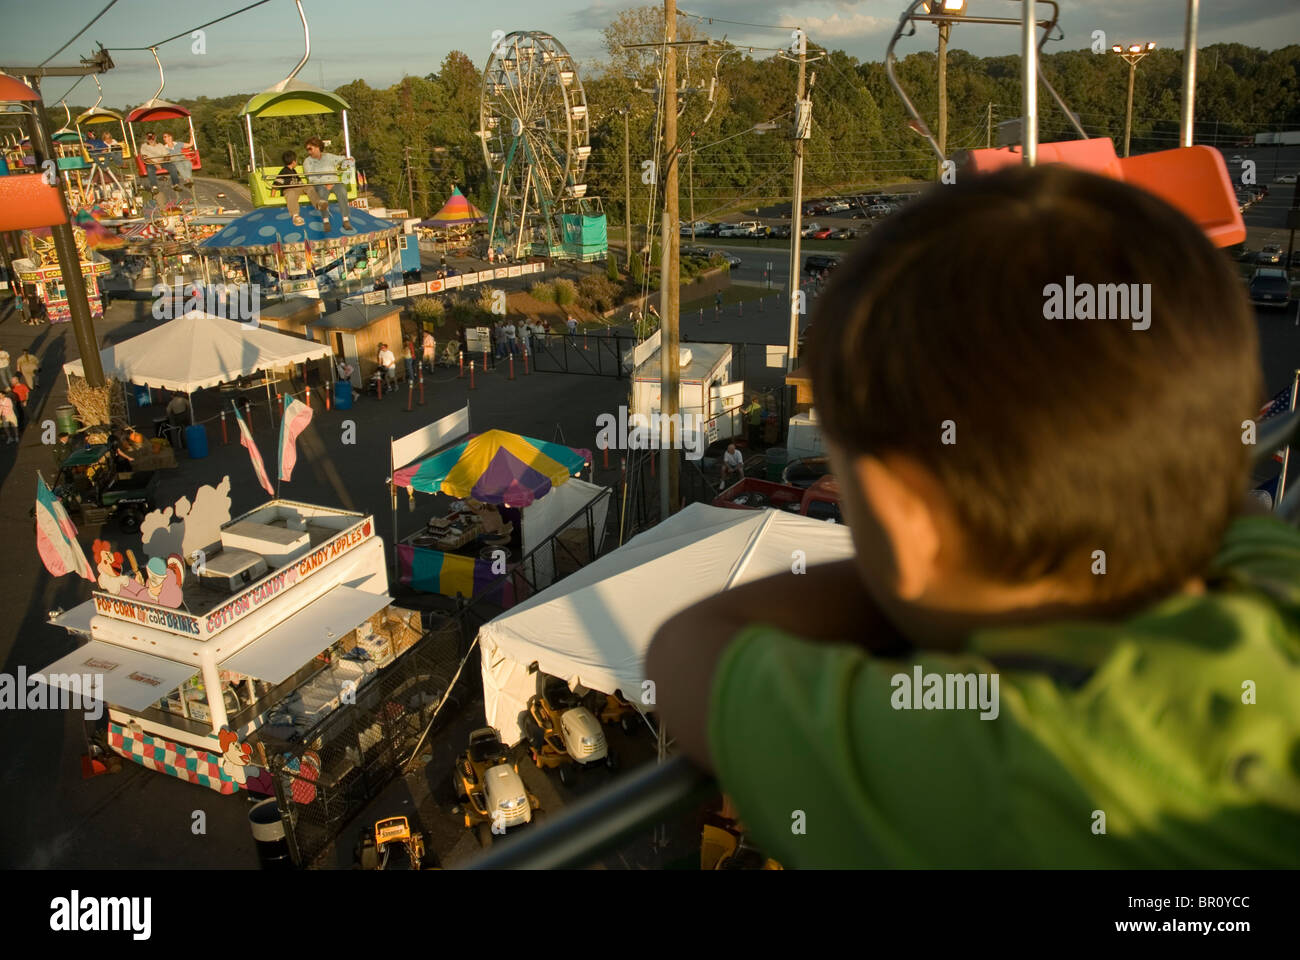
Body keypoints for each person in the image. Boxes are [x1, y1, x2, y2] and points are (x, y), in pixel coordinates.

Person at [646, 164, 1300, 869]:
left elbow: (689, 651)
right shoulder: (1271, 590)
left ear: (908, 522)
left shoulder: (1004, 761)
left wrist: (927, 588)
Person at [302, 136, 353, 233]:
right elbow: (310, 177)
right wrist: (324, 183)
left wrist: (348, 160)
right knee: (322, 193)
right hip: (320, 184)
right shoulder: (308, 162)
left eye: (310, 149)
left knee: (342, 190)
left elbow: (341, 159)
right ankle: (326, 220)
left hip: (334, 182)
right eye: (307, 149)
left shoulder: (329, 157)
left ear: (317, 147)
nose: (308, 152)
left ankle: (345, 219)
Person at [271, 150, 310, 226]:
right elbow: (276, 185)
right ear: (293, 162)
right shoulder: (284, 172)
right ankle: (295, 216)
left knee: (310, 187)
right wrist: (272, 197)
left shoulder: (294, 171)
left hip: (297, 190)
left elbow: (300, 183)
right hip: (289, 191)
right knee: (291, 194)